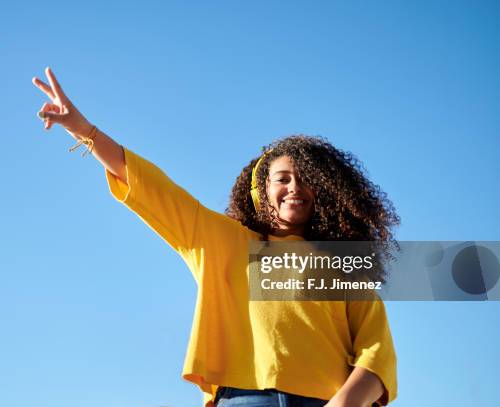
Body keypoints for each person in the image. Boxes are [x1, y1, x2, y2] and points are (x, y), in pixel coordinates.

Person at [32, 67, 399, 407]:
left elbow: (376, 354)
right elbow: (154, 190)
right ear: (260, 191)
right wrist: (85, 130)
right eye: (283, 178)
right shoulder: (224, 242)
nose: (294, 188)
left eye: (306, 180)